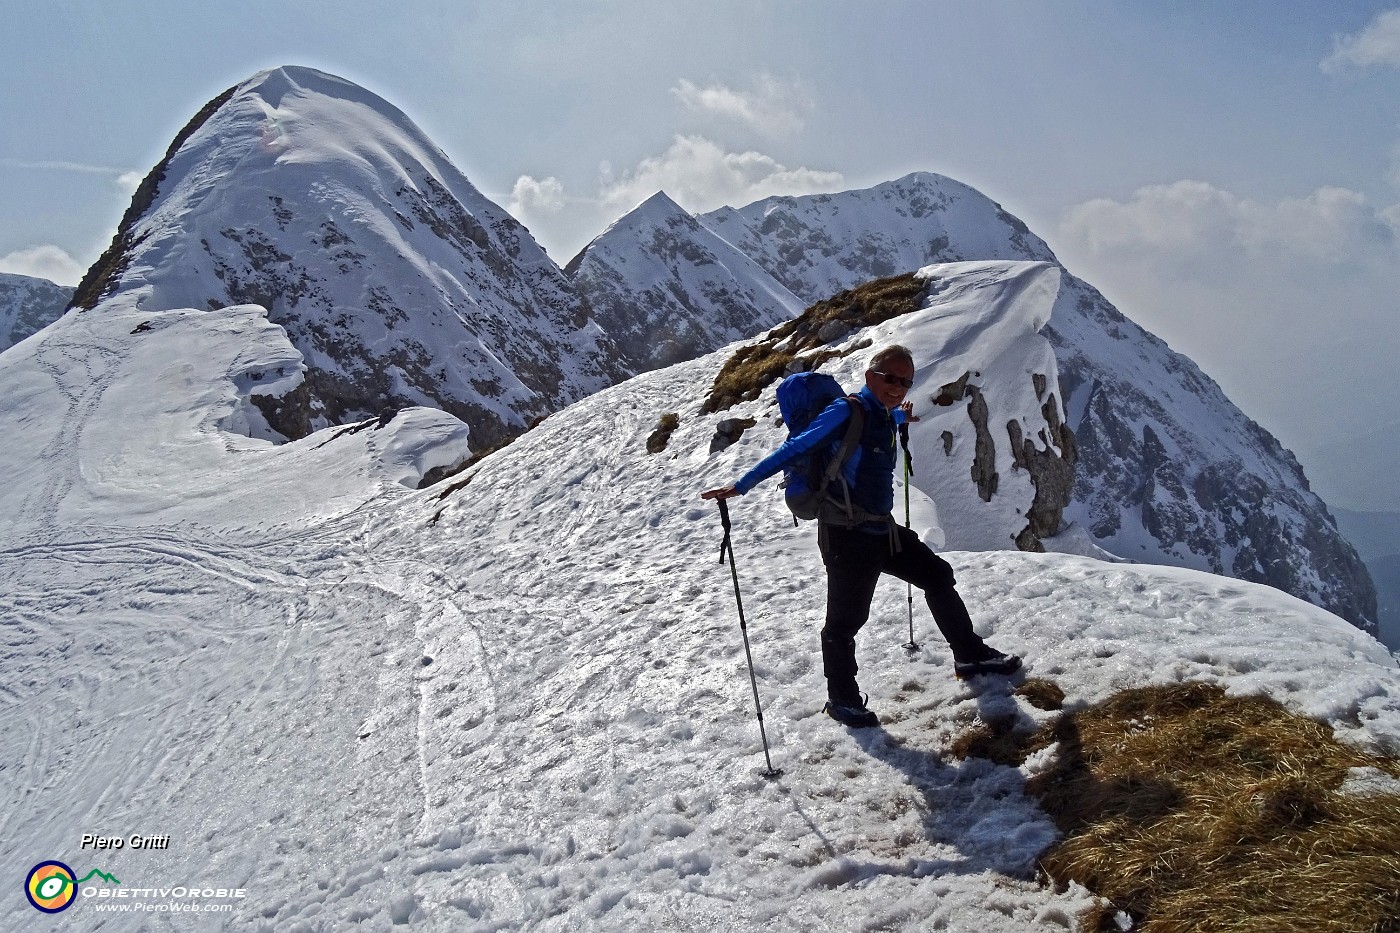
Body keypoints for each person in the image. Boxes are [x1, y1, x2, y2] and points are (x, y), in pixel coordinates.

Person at [701, 344, 1021, 728]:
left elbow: (873, 436)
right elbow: (795, 448)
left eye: (906, 381)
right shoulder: (845, 411)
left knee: (937, 574)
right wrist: (741, 485)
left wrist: (899, 419)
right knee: (844, 623)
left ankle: (970, 656)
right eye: (891, 379)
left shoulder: (882, 413)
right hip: (846, 536)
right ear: (871, 377)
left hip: (881, 529)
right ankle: (841, 699)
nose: (898, 387)